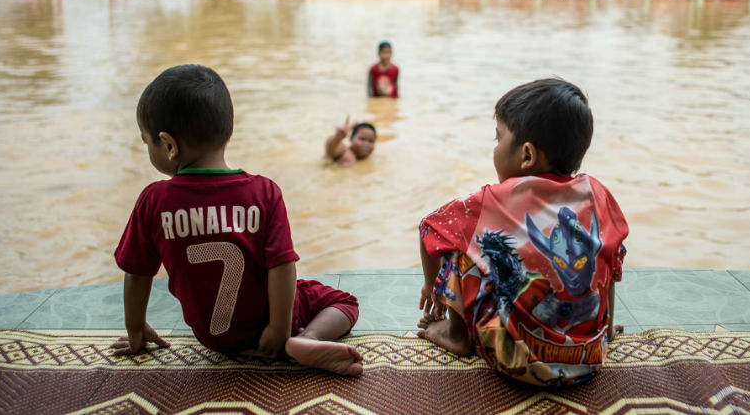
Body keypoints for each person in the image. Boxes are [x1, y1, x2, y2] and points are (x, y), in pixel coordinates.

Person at [112, 64, 363, 376]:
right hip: (268, 327)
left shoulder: (154, 201)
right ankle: (306, 340)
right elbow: (282, 266)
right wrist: (278, 329)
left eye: (146, 142)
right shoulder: (264, 193)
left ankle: (291, 341)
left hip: (213, 338)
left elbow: (136, 273)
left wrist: (136, 329)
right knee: (344, 301)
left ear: (169, 145)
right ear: (227, 131)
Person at [416, 78, 629, 386]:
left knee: (458, 241)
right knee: (609, 245)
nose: (494, 148)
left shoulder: (489, 201)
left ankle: (455, 336)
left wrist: (431, 286)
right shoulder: (597, 193)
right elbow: (614, 258)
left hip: (513, 362)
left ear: (526, 155)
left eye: (498, 138)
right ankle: (604, 330)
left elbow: (428, 228)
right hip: (589, 359)